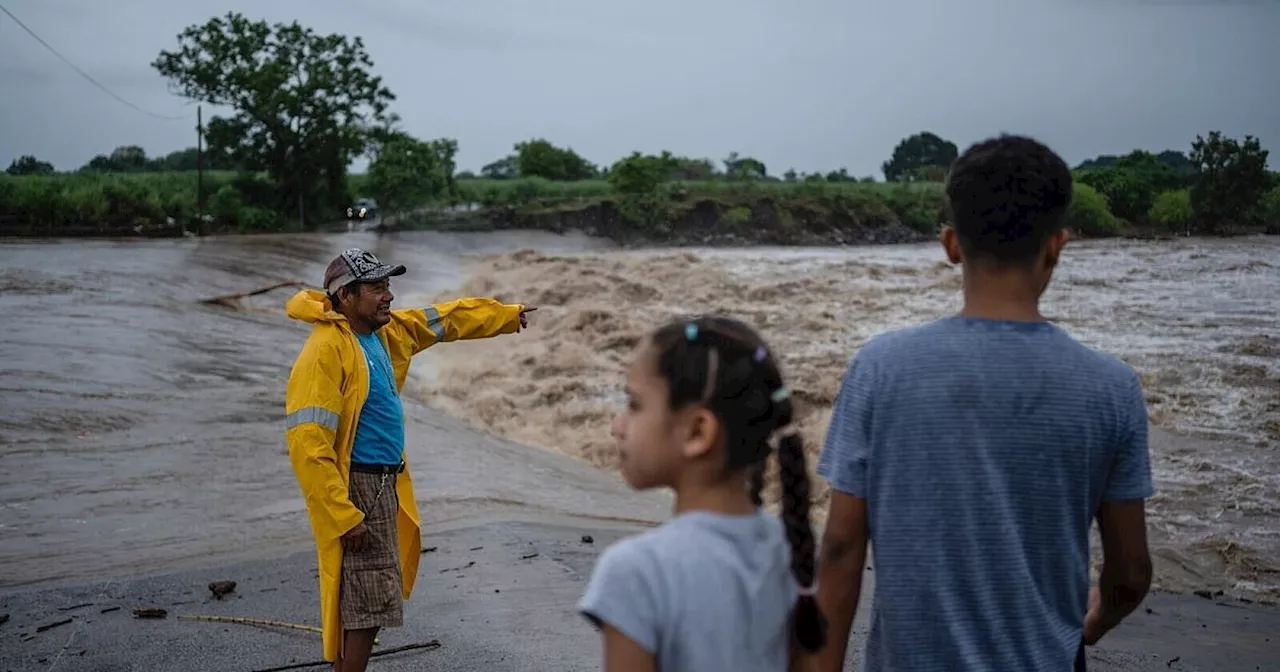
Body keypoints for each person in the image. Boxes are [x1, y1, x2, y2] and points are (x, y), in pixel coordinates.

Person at [810, 135, 1155, 672]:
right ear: (1056, 246)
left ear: (950, 245)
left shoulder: (880, 368)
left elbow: (839, 549)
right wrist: (1097, 620)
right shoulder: (1111, 387)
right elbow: (1130, 571)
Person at [284, 247, 536, 671]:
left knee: (373, 598)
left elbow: (445, 320)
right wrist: (342, 515)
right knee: (364, 604)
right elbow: (308, 445)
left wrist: (505, 316)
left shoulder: (384, 333)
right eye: (376, 287)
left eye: (388, 286)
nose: (388, 296)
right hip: (357, 488)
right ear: (345, 296)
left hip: (384, 483)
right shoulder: (324, 351)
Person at [578, 316, 827, 672]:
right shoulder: (790, 550)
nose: (618, 426)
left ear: (697, 432)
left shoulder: (636, 572)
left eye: (634, 405)